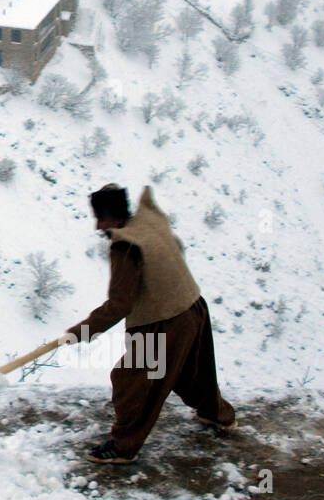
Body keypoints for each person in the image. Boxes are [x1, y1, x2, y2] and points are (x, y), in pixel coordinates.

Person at [57, 183, 236, 464]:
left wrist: (79, 333)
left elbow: (119, 304)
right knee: (194, 373)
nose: (97, 226)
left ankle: (123, 446)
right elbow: (175, 247)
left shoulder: (126, 246)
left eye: (100, 218)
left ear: (115, 218)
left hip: (159, 324)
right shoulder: (150, 221)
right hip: (192, 308)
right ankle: (218, 416)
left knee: (132, 383)